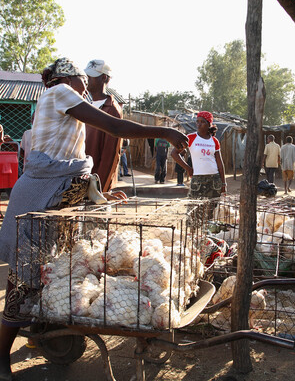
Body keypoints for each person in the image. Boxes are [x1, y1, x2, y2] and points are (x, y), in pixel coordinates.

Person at [0, 57, 188, 381]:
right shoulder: (60, 92)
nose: (85, 92)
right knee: (21, 284)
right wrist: (165, 131)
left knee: (52, 272)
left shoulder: (65, 102)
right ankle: (1, 358)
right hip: (35, 200)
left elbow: (69, 162)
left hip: (52, 202)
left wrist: (97, 195)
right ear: (69, 79)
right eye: (83, 84)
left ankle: (41, 331)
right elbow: (114, 127)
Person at [84, 59, 122, 192]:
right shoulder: (85, 105)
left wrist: (100, 190)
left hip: (96, 184)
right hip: (83, 179)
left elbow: (110, 155)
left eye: (91, 77)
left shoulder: (112, 110)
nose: (87, 79)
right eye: (86, 76)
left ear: (104, 78)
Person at [171, 111, 226, 199]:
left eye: (202, 122)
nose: (199, 124)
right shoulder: (190, 138)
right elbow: (174, 153)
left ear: (209, 124)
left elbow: (220, 163)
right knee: (194, 209)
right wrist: (188, 168)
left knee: (212, 209)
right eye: (197, 121)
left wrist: (223, 183)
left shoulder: (214, 141)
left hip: (214, 178)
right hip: (197, 179)